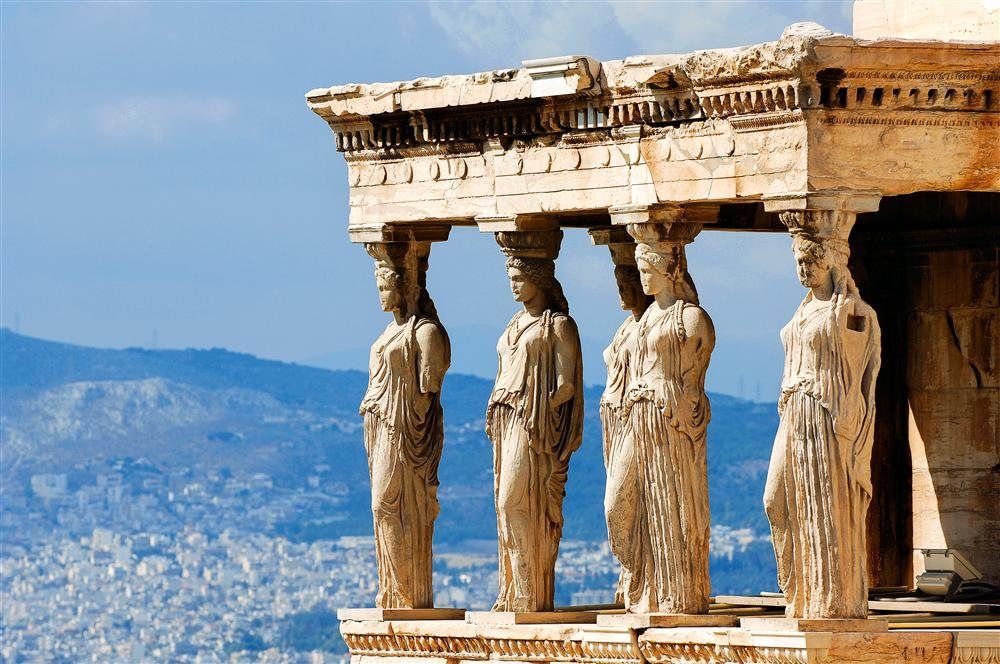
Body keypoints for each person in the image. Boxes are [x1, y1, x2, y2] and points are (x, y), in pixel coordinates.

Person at [763, 231, 881, 619]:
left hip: (825, 414)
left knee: (826, 502)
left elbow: (861, 370)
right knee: (776, 499)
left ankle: (831, 599)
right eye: (798, 261)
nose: (803, 269)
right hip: (793, 410)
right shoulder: (800, 312)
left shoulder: (850, 312)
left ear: (830, 261)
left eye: (810, 260)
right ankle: (798, 589)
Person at [487, 247, 583, 613]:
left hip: (534, 422)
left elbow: (567, 384)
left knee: (514, 500)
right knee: (505, 506)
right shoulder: (513, 324)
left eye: (518, 279)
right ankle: (513, 590)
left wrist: (538, 405)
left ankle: (531, 592)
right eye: (510, 278)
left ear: (538, 279)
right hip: (506, 419)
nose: (512, 285)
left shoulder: (558, 326)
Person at [360, 243, 449, 609]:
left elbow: (429, 388)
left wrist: (409, 413)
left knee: (389, 503)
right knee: (381, 508)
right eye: (378, 286)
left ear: (405, 287)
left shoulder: (425, 332)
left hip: (404, 431)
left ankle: (409, 594)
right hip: (380, 428)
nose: (381, 294)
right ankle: (396, 591)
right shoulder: (385, 335)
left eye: (386, 286)